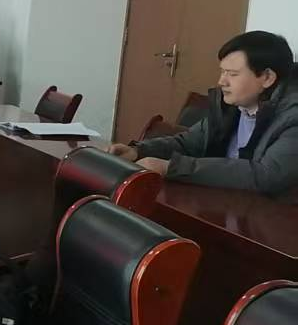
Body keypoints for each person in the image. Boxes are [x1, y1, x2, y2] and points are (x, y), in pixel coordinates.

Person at [109, 31, 298, 199]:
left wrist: (171, 168)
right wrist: (139, 151)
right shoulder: (233, 106)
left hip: (269, 218)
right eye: (222, 72)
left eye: (232, 74)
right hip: (225, 203)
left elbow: (265, 176)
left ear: (267, 78)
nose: (221, 81)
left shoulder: (292, 118)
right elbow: (188, 143)